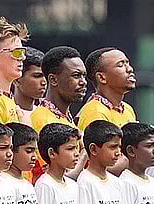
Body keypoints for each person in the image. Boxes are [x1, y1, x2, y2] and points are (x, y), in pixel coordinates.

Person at [30, 46, 87, 181]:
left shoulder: (64, 117)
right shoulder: (42, 120)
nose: (83, 82)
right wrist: (86, 153)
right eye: (76, 76)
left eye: (84, 76)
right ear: (53, 80)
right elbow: (55, 176)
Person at [78, 48, 138, 175]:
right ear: (102, 77)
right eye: (121, 65)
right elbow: (98, 166)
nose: (129, 69)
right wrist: (138, 157)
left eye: (127, 63)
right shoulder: (95, 112)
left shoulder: (127, 109)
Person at [13, 47, 45, 124]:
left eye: (46, 76)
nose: (44, 82)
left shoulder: (46, 114)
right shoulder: (7, 111)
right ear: (17, 79)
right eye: (37, 76)